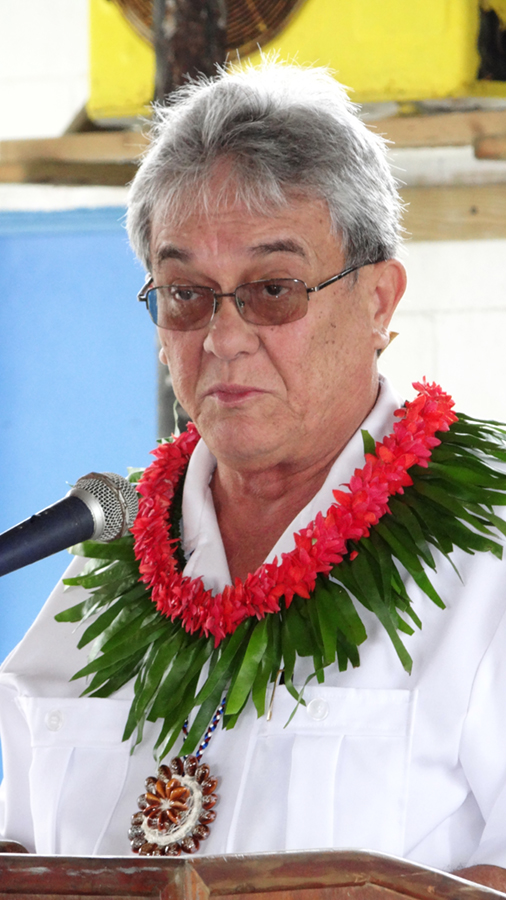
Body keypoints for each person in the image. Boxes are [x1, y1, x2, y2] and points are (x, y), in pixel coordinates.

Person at [1, 58, 506, 892]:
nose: (223, 337)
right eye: (185, 293)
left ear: (380, 300)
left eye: (273, 289)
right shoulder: (104, 560)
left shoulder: (488, 553)